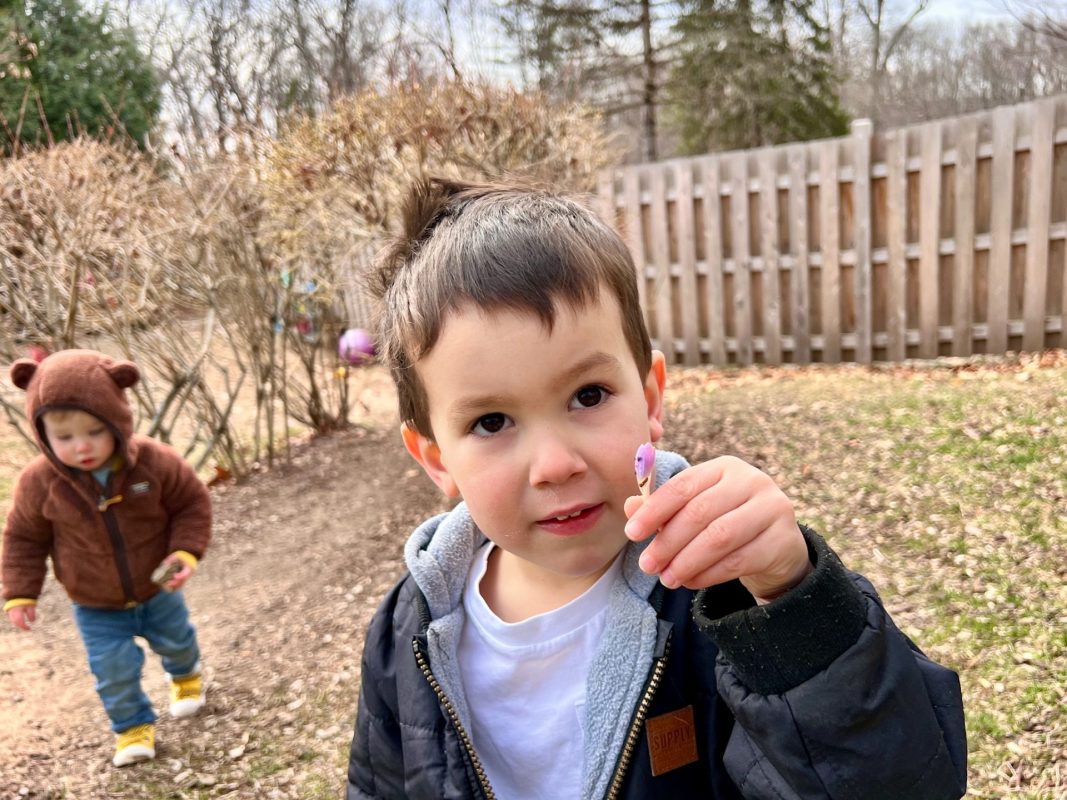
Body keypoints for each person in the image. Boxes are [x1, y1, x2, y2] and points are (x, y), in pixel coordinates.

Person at [346, 178, 967, 799]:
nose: (555, 465)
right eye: (491, 422)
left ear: (649, 399)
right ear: (436, 459)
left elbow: (901, 784)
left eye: (588, 395)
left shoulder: (728, 593)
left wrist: (792, 598)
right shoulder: (408, 630)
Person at [2, 349, 212, 767]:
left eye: (95, 431)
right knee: (112, 668)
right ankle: (132, 727)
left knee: (177, 641)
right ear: (42, 435)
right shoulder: (39, 483)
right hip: (94, 603)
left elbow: (191, 502)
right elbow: (23, 538)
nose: (82, 446)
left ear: (117, 420)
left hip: (157, 586)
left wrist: (185, 550)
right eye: (64, 438)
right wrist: (20, 593)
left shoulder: (153, 462)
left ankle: (186, 676)